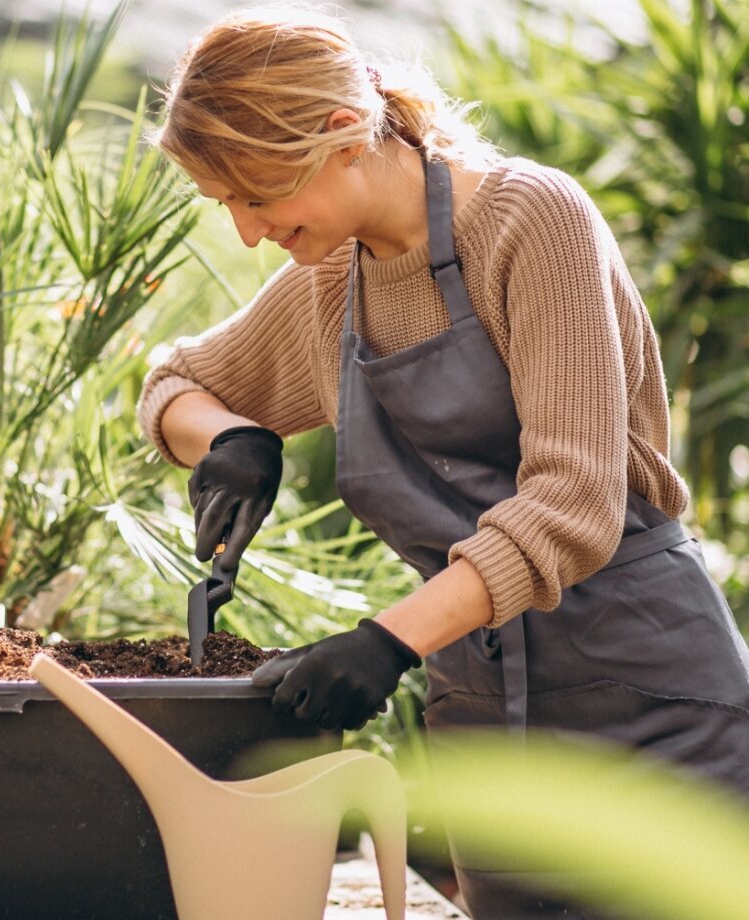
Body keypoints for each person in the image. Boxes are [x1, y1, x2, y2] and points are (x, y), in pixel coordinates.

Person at [138, 8, 749, 918]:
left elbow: (575, 503)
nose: (248, 234)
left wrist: (389, 639)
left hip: (648, 699)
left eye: (256, 196)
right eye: (226, 205)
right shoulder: (332, 285)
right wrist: (225, 437)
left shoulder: (529, 222)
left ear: (343, 135)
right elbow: (173, 380)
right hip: (487, 727)